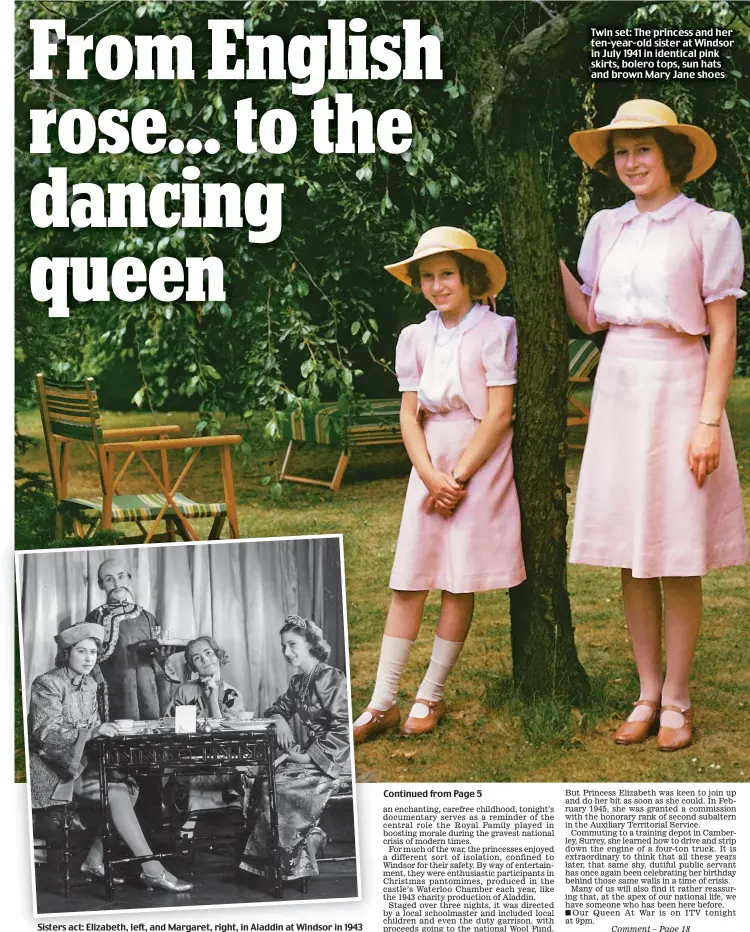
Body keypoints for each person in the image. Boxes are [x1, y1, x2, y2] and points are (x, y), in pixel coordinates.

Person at [561, 98, 748, 751]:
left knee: (677, 552)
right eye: (621, 151)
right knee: (632, 554)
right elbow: (590, 317)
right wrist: (537, 258)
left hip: (679, 383)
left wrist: (706, 420)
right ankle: (646, 690)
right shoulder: (604, 226)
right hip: (619, 385)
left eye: (643, 149)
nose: (631, 161)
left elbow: (723, 334)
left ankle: (678, 698)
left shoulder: (711, 226)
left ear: (671, 156)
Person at [353, 226, 525, 742]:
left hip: (478, 458)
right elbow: (409, 415)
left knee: (457, 578)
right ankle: (382, 700)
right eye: (427, 276)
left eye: (446, 273)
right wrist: (429, 475)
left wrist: (458, 477)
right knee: (409, 578)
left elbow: (499, 414)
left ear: (470, 277)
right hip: (429, 459)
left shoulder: (496, 331)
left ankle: (430, 693)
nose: (436, 284)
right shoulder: (415, 337)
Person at [28, 623, 193, 892]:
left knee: (129, 789)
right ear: (67, 653)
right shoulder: (48, 682)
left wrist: (107, 732)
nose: (88, 657)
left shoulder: (90, 683)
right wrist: (93, 731)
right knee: (116, 792)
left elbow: (93, 728)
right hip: (51, 770)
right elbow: (45, 732)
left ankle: (93, 861)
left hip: (78, 763)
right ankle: (151, 868)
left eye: (93, 652)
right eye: (81, 651)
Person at [239, 616, 349, 882]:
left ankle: (297, 855)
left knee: (275, 787)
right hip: (314, 754)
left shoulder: (329, 677)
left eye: (292, 645)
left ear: (310, 643)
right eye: (283, 647)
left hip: (336, 758)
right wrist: (280, 722)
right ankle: (288, 854)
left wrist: (308, 757)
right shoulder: (298, 683)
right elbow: (275, 709)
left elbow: (344, 727)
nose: (287, 653)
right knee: (264, 780)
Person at [80, 559, 170, 720]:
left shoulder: (146, 616)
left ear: (129, 578)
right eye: (109, 579)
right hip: (113, 693)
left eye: (121, 577)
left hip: (148, 692)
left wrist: (163, 658)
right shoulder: (95, 617)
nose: (116, 583)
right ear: (101, 585)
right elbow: (89, 661)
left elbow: (159, 662)